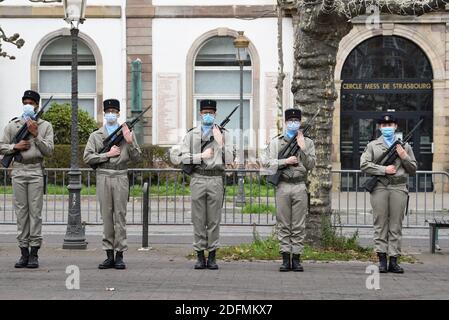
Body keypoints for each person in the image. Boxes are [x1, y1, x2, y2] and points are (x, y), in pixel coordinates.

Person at [83, 99, 142, 270]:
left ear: (118, 113)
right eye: (108, 111)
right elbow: (88, 157)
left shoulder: (126, 133)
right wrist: (107, 155)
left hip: (121, 175)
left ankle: (120, 254)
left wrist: (129, 142)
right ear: (104, 113)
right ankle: (108, 254)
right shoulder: (96, 135)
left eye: (114, 111)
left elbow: (137, 158)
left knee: (120, 216)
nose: (111, 114)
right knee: (107, 216)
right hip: (103, 175)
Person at [0, 90, 54, 268]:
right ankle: (23, 252)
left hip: (36, 170)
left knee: (35, 213)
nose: (28, 105)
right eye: (25, 101)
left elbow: (49, 151)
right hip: (19, 170)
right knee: (21, 212)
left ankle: (34, 253)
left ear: (37, 105)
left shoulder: (45, 126)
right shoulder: (13, 125)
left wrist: (36, 135)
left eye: (31, 102)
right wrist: (15, 146)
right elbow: (2, 146)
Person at [179, 99, 234, 270]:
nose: (208, 115)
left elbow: (231, 159)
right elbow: (182, 157)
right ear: (200, 114)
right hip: (198, 178)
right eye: (205, 113)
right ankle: (200, 255)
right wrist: (200, 156)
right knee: (198, 219)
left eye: (211, 113)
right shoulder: (191, 134)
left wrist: (220, 142)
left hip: (216, 179)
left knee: (214, 220)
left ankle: (212, 256)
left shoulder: (224, 133)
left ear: (215, 114)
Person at [360, 113, 417, 273]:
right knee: (380, 224)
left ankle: (394, 260)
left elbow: (413, 169)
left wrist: (404, 156)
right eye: (384, 126)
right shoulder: (373, 145)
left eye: (390, 125)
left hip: (399, 188)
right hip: (380, 187)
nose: (387, 128)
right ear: (380, 127)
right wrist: (383, 169)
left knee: (396, 225)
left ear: (395, 127)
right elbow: (364, 164)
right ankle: (382, 260)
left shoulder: (405, 147)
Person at [262, 108, 316, 272]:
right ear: (285, 123)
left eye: (296, 121)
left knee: (298, 225)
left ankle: (297, 259)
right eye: (290, 121)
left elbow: (311, 164)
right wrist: (285, 161)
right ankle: (286, 258)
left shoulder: (308, 142)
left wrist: (303, 148)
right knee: (284, 223)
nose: (293, 123)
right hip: (283, 185)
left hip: (300, 185)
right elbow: (266, 162)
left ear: (300, 123)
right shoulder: (276, 142)